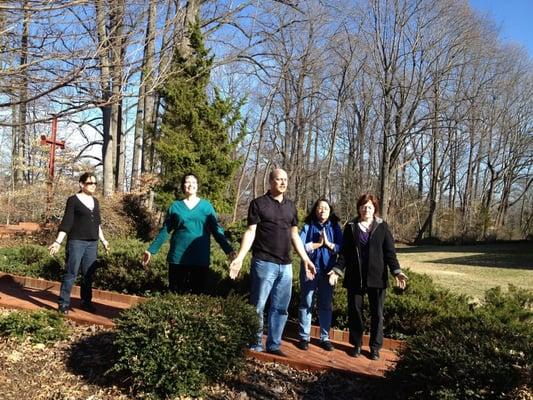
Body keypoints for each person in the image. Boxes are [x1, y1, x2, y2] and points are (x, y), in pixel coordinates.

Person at [229, 168, 316, 356]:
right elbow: (251, 232)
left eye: (285, 179)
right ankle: (255, 344)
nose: (283, 183)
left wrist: (306, 259)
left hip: (286, 266)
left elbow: (295, 235)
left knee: (281, 308)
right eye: (279, 179)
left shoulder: (291, 207)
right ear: (271, 181)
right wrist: (240, 257)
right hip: (263, 262)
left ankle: (274, 345)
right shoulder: (258, 204)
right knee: (258, 306)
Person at [329, 193, 407, 360]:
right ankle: (356, 344)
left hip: (377, 277)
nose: (366, 209)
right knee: (355, 311)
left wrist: (397, 271)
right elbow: (344, 253)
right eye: (363, 206)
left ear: (375, 209)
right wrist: (337, 270)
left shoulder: (382, 226)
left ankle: (375, 347)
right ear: (359, 208)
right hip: (355, 277)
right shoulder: (350, 226)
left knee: (377, 313)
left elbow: (390, 253)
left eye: (369, 207)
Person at [142, 173, 235, 294]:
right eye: (187, 182)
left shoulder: (206, 207)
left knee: (197, 297)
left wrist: (229, 251)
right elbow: (165, 231)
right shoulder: (175, 207)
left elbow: (217, 231)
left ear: (197, 186)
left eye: (194, 182)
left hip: (200, 259)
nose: (191, 185)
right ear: (183, 186)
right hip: (178, 259)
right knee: (175, 295)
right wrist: (151, 250)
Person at [49, 172, 109, 314]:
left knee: (88, 274)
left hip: (92, 243)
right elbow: (67, 222)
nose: (93, 186)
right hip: (76, 242)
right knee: (71, 273)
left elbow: (97, 224)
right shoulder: (73, 200)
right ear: (82, 184)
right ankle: (63, 303)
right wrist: (58, 241)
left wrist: (104, 240)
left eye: (95, 183)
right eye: (90, 183)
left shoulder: (96, 202)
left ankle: (86, 302)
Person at [297, 198, 343, 352]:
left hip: (327, 271)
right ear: (315, 210)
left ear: (330, 211)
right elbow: (300, 245)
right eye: (319, 208)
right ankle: (304, 337)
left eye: (326, 208)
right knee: (306, 302)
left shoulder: (335, 227)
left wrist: (328, 244)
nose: (322, 211)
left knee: (325, 305)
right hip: (310, 269)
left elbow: (341, 247)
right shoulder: (308, 225)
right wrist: (317, 244)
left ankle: (324, 338)